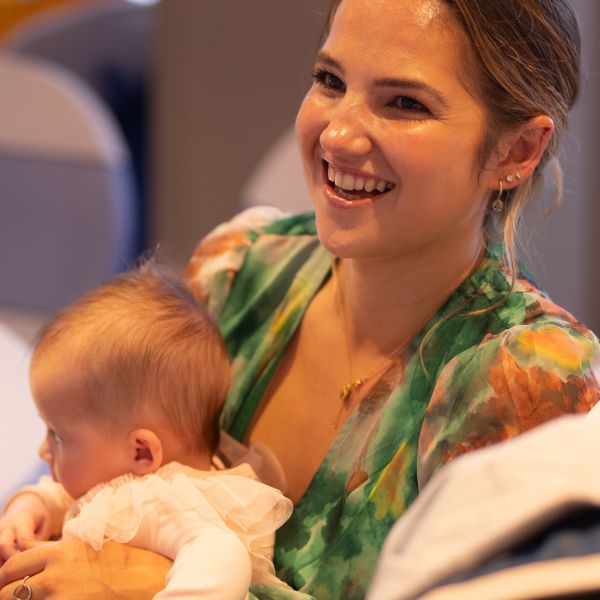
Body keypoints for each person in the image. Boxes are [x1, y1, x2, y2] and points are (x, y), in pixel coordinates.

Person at [0, 0, 599, 598]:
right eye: (330, 81)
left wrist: (143, 584)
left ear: (516, 152)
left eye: (405, 103)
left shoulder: (529, 381)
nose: (337, 133)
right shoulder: (241, 271)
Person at [0, 262, 293, 599]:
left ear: (141, 451)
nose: (43, 450)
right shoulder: (123, 480)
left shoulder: (162, 503)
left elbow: (223, 555)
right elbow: (66, 493)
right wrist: (29, 508)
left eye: (59, 435)